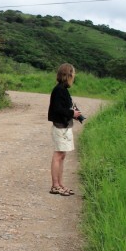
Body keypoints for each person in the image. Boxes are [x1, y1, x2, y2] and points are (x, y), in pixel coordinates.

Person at [47, 63, 82, 196]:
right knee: (58, 155)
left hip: (64, 126)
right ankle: (55, 185)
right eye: (72, 74)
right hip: (60, 127)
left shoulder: (63, 89)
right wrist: (72, 113)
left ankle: (60, 184)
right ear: (68, 75)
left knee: (62, 155)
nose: (73, 77)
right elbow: (57, 109)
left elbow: (63, 107)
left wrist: (74, 113)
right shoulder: (59, 90)